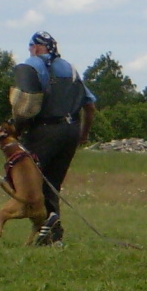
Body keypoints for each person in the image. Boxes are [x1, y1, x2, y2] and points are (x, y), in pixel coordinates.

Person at [10, 31, 96, 247]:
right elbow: (90, 106)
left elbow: (25, 105)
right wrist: (83, 134)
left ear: (37, 48)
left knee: (29, 180)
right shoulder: (70, 69)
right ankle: (54, 236)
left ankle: (44, 230)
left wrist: (17, 130)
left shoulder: (33, 64)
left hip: (45, 130)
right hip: (70, 131)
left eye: (31, 47)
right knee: (53, 184)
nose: (30, 51)